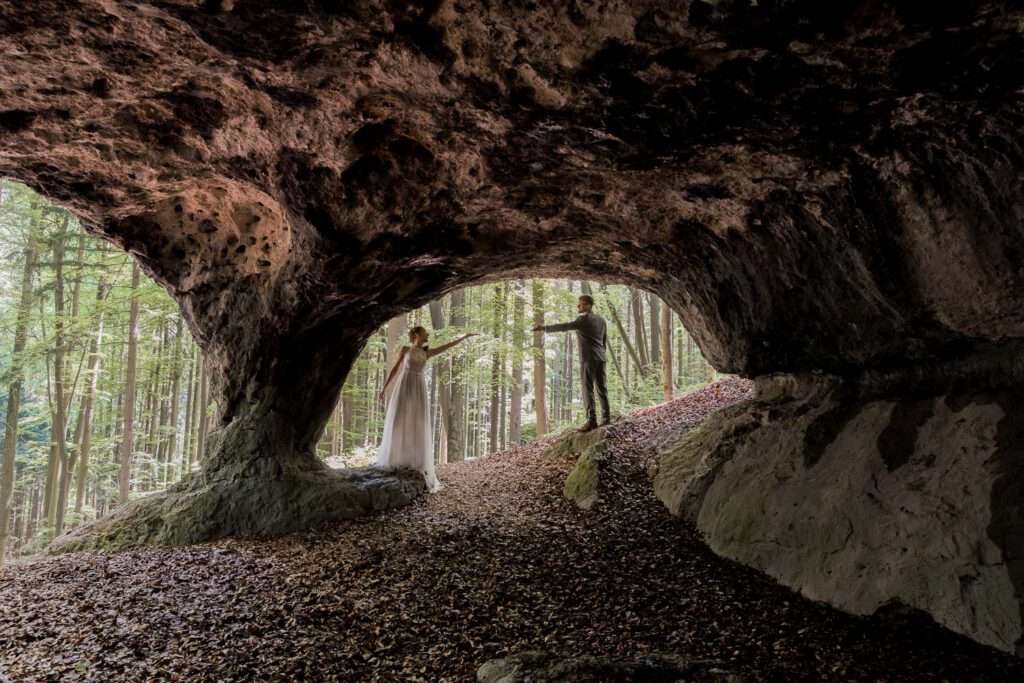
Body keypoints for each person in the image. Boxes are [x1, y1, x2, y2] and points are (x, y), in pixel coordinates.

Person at [376, 325, 476, 492]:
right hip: (405, 385)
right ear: (416, 335)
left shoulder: (426, 353)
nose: (427, 334)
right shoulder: (406, 349)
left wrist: (463, 337)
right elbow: (395, 369)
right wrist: (384, 388)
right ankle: (395, 458)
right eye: (424, 332)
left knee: (417, 422)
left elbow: (447, 347)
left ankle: (415, 461)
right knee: (399, 419)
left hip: (419, 387)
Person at [532, 294, 611, 432]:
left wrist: (544, 328)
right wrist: (602, 355)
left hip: (589, 359)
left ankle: (591, 421)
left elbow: (565, 326)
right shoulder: (602, 320)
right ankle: (606, 419)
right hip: (601, 358)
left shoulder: (583, 320)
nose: (578, 306)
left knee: (588, 390)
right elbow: (604, 341)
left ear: (588, 305)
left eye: (580, 304)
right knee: (602, 389)